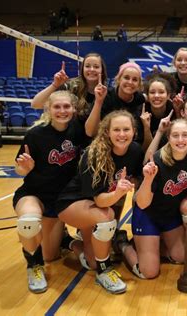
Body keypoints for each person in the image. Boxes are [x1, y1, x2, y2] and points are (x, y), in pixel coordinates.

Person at [55, 110, 144, 294]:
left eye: (126, 129)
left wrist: (133, 182)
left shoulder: (135, 150)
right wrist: (119, 191)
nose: (121, 134)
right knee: (107, 217)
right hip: (73, 203)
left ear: (134, 131)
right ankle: (103, 272)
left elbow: (135, 176)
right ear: (107, 132)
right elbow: (100, 201)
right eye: (116, 129)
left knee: (92, 261)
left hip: (93, 207)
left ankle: (71, 243)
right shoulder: (94, 154)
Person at [13, 91, 87, 293]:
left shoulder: (77, 130)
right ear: (48, 109)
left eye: (66, 107)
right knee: (28, 222)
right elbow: (18, 169)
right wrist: (24, 168)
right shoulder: (36, 134)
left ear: (73, 108)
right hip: (34, 194)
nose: (62, 111)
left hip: (60, 200)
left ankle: (67, 241)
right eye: (57, 107)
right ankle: (33, 267)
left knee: (51, 256)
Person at [119, 119, 187, 279]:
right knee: (149, 272)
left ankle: (152, 243)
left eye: (185, 135)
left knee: (181, 257)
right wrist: (147, 179)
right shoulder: (157, 161)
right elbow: (141, 203)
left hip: (169, 216)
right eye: (175, 135)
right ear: (168, 137)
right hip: (148, 215)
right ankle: (123, 244)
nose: (180, 140)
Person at [31, 53, 108, 129]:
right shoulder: (71, 87)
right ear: (82, 69)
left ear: (102, 70)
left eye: (96, 67)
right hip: (70, 138)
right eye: (87, 66)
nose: (91, 69)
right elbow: (36, 104)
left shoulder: (108, 94)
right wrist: (55, 85)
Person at [85, 62, 146, 148]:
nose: (130, 82)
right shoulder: (105, 96)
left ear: (139, 84)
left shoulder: (140, 100)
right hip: (104, 147)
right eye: (126, 77)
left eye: (135, 79)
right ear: (119, 79)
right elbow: (90, 132)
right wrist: (99, 101)